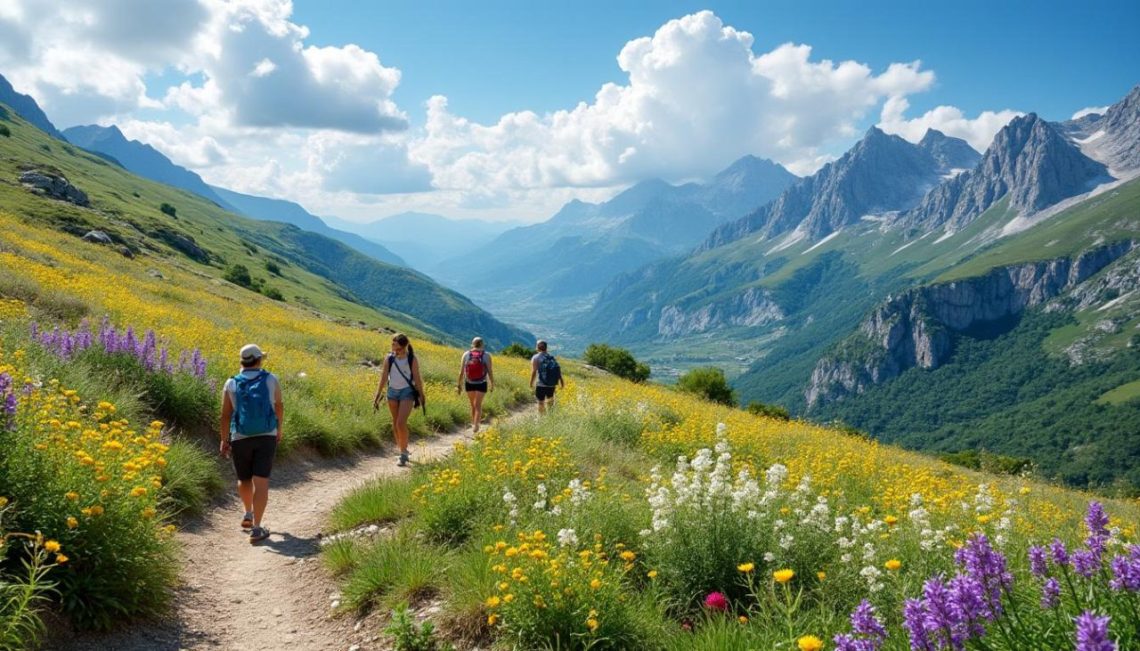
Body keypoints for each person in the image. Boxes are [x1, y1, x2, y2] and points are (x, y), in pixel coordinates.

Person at [219, 344, 282, 544]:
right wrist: (278, 430)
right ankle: (257, 528)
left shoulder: (231, 382)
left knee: (244, 478)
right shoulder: (271, 379)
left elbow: (225, 415)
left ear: (242, 361)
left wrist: (224, 439)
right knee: (261, 481)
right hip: (266, 435)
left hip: (240, 436)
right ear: (258, 360)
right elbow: (279, 406)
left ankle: (248, 513)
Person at [373, 333, 425, 467]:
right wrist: (377, 394)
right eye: (393, 347)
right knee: (395, 423)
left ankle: (403, 453)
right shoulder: (389, 358)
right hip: (392, 393)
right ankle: (402, 449)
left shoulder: (412, 359)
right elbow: (384, 377)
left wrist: (421, 395)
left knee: (401, 422)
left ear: (404, 346)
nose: (395, 350)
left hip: (407, 392)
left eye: (398, 348)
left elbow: (417, 378)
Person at [456, 337, 494, 433]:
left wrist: (459, 385)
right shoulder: (486, 355)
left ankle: (474, 423)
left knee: (472, 405)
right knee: (478, 405)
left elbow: (461, 372)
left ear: (472, 344)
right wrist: (492, 383)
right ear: (482, 344)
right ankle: (476, 425)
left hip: (469, 382)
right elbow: (490, 371)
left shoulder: (466, 354)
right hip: (481, 383)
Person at [529, 340, 564, 414]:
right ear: (546, 347)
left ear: (538, 347)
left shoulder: (536, 357)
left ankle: (542, 419)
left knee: (541, 402)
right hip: (552, 384)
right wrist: (561, 381)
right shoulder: (551, 357)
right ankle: (550, 418)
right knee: (550, 402)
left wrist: (531, 383)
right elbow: (557, 370)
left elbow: (534, 371)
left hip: (541, 384)